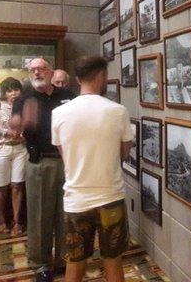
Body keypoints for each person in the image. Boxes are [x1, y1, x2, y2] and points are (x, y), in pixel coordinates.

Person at [51, 56, 133, 282]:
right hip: (111, 197)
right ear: (102, 77)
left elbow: (63, 154)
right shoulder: (118, 111)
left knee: (75, 262)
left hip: (76, 198)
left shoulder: (58, 113)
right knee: (113, 261)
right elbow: (124, 153)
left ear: (77, 79)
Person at [11, 58, 75, 282]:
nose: (36, 72)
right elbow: (14, 126)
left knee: (66, 214)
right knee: (39, 215)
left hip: (69, 162)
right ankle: (41, 265)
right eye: (32, 70)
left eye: (40, 69)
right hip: (39, 163)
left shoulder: (68, 96)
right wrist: (18, 124)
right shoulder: (24, 99)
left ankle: (65, 259)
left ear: (50, 72)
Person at [0, 77, 26, 236]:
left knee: (17, 185)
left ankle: (17, 221)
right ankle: (1, 219)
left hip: (20, 149)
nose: (13, 93)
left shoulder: (25, 106)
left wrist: (26, 135)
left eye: (16, 89)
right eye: (9, 90)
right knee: (1, 186)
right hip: (1, 149)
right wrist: (6, 132)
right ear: (4, 93)